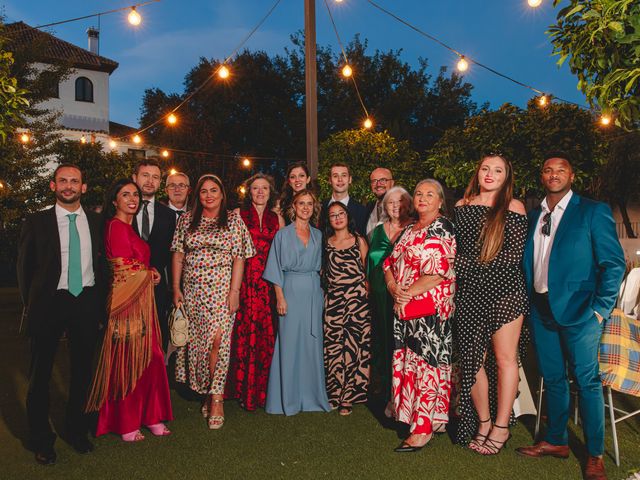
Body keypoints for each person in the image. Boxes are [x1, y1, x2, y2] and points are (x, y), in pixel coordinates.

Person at [516, 154, 625, 480]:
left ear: (571, 175)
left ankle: (594, 455)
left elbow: (613, 264)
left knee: (588, 383)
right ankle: (556, 440)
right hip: (541, 308)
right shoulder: (535, 215)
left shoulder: (592, 211)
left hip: (581, 314)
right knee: (553, 379)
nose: (553, 174)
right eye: (548, 169)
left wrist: (599, 310)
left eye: (560, 169)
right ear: (542, 175)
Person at [17, 164, 107, 465]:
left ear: (83, 187)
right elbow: (24, 268)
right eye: (63, 181)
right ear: (54, 186)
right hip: (49, 303)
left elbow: (103, 264)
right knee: (40, 375)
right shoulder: (37, 221)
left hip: (85, 302)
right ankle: (42, 439)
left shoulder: (96, 221)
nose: (69, 186)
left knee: (82, 372)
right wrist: (31, 302)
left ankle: (75, 430)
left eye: (75, 181)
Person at [453, 154, 528, 455]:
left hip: (505, 292)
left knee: (505, 360)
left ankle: (501, 427)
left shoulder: (514, 207)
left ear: (506, 177)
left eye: (497, 170)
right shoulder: (462, 205)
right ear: (478, 171)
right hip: (469, 293)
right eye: (485, 168)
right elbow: (453, 248)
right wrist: (460, 265)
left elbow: (511, 258)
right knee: (472, 362)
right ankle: (483, 422)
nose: (489, 174)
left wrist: (461, 264)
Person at [86, 179, 172, 442]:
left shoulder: (128, 227)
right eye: (125, 195)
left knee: (152, 358)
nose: (132, 198)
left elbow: (136, 265)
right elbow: (123, 269)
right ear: (115, 201)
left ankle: (151, 416)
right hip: (125, 307)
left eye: (135, 194)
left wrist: (151, 272)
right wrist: (149, 274)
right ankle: (126, 423)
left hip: (142, 304)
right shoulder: (114, 226)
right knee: (129, 362)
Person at [171, 174, 255, 429]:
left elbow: (240, 257)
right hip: (194, 293)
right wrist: (176, 287)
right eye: (204, 191)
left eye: (213, 190)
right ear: (198, 195)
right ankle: (208, 391)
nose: (208, 195)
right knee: (200, 346)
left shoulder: (233, 220)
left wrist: (235, 291)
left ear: (222, 194)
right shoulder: (186, 220)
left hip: (221, 292)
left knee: (219, 341)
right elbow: (178, 255)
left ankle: (216, 397)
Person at [383, 179, 456, 452]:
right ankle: (411, 415)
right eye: (418, 193)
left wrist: (405, 294)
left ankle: (424, 426)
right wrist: (393, 287)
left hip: (429, 312)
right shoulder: (409, 229)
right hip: (404, 308)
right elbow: (388, 262)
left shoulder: (443, 227)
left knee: (427, 366)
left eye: (429, 194)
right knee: (408, 363)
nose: (423, 198)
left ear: (440, 201)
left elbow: (437, 271)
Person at [263, 189, 331, 415]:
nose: (305, 207)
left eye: (309, 204)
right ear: (294, 206)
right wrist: (280, 297)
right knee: (289, 345)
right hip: (290, 291)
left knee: (311, 344)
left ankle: (312, 398)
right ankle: (287, 400)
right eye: (301, 203)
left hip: (313, 292)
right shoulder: (282, 235)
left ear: (314, 208)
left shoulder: (318, 235)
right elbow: (274, 267)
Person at [225, 173, 280, 411]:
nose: (260, 192)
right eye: (255, 188)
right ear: (249, 192)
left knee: (266, 334)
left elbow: (281, 253)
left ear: (270, 192)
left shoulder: (277, 218)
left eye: (264, 188)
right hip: (243, 281)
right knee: (241, 332)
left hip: (267, 284)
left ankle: (263, 389)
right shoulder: (237, 215)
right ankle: (240, 389)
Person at [322, 202, 371, 415]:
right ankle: (334, 392)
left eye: (341, 213)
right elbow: (324, 272)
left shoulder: (358, 240)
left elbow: (367, 272)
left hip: (357, 300)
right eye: (333, 215)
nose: (338, 218)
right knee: (333, 347)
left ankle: (348, 396)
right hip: (333, 301)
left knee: (353, 347)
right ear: (329, 220)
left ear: (347, 216)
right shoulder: (326, 243)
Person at [367, 186, 413, 402]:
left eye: (400, 201)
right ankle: (385, 386)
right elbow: (367, 262)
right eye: (391, 202)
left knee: (402, 342)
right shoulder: (376, 231)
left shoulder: (415, 228)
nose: (396, 206)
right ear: (384, 206)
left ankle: (403, 390)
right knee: (382, 339)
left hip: (404, 295)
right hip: (378, 295)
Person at [132, 159, 176, 348]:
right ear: (134, 177)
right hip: (126, 287)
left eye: (155, 177)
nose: (150, 181)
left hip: (156, 288)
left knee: (154, 341)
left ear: (160, 183)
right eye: (145, 175)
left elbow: (170, 251)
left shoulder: (168, 215)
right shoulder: (120, 209)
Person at [320, 164, 368, 237]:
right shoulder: (320, 208)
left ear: (350, 179)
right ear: (330, 180)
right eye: (335, 176)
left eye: (344, 175)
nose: (340, 179)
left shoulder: (362, 211)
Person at [275, 161, 312, 227]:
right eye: (293, 177)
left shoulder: (316, 205)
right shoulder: (281, 205)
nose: (297, 180)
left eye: (301, 176)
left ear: (308, 179)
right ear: (289, 181)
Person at [366, 167, 394, 238]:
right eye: (374, 181)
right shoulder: (367, 208)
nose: (378, 184)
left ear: (392, 183)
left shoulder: (402, 209)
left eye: (383, 180)